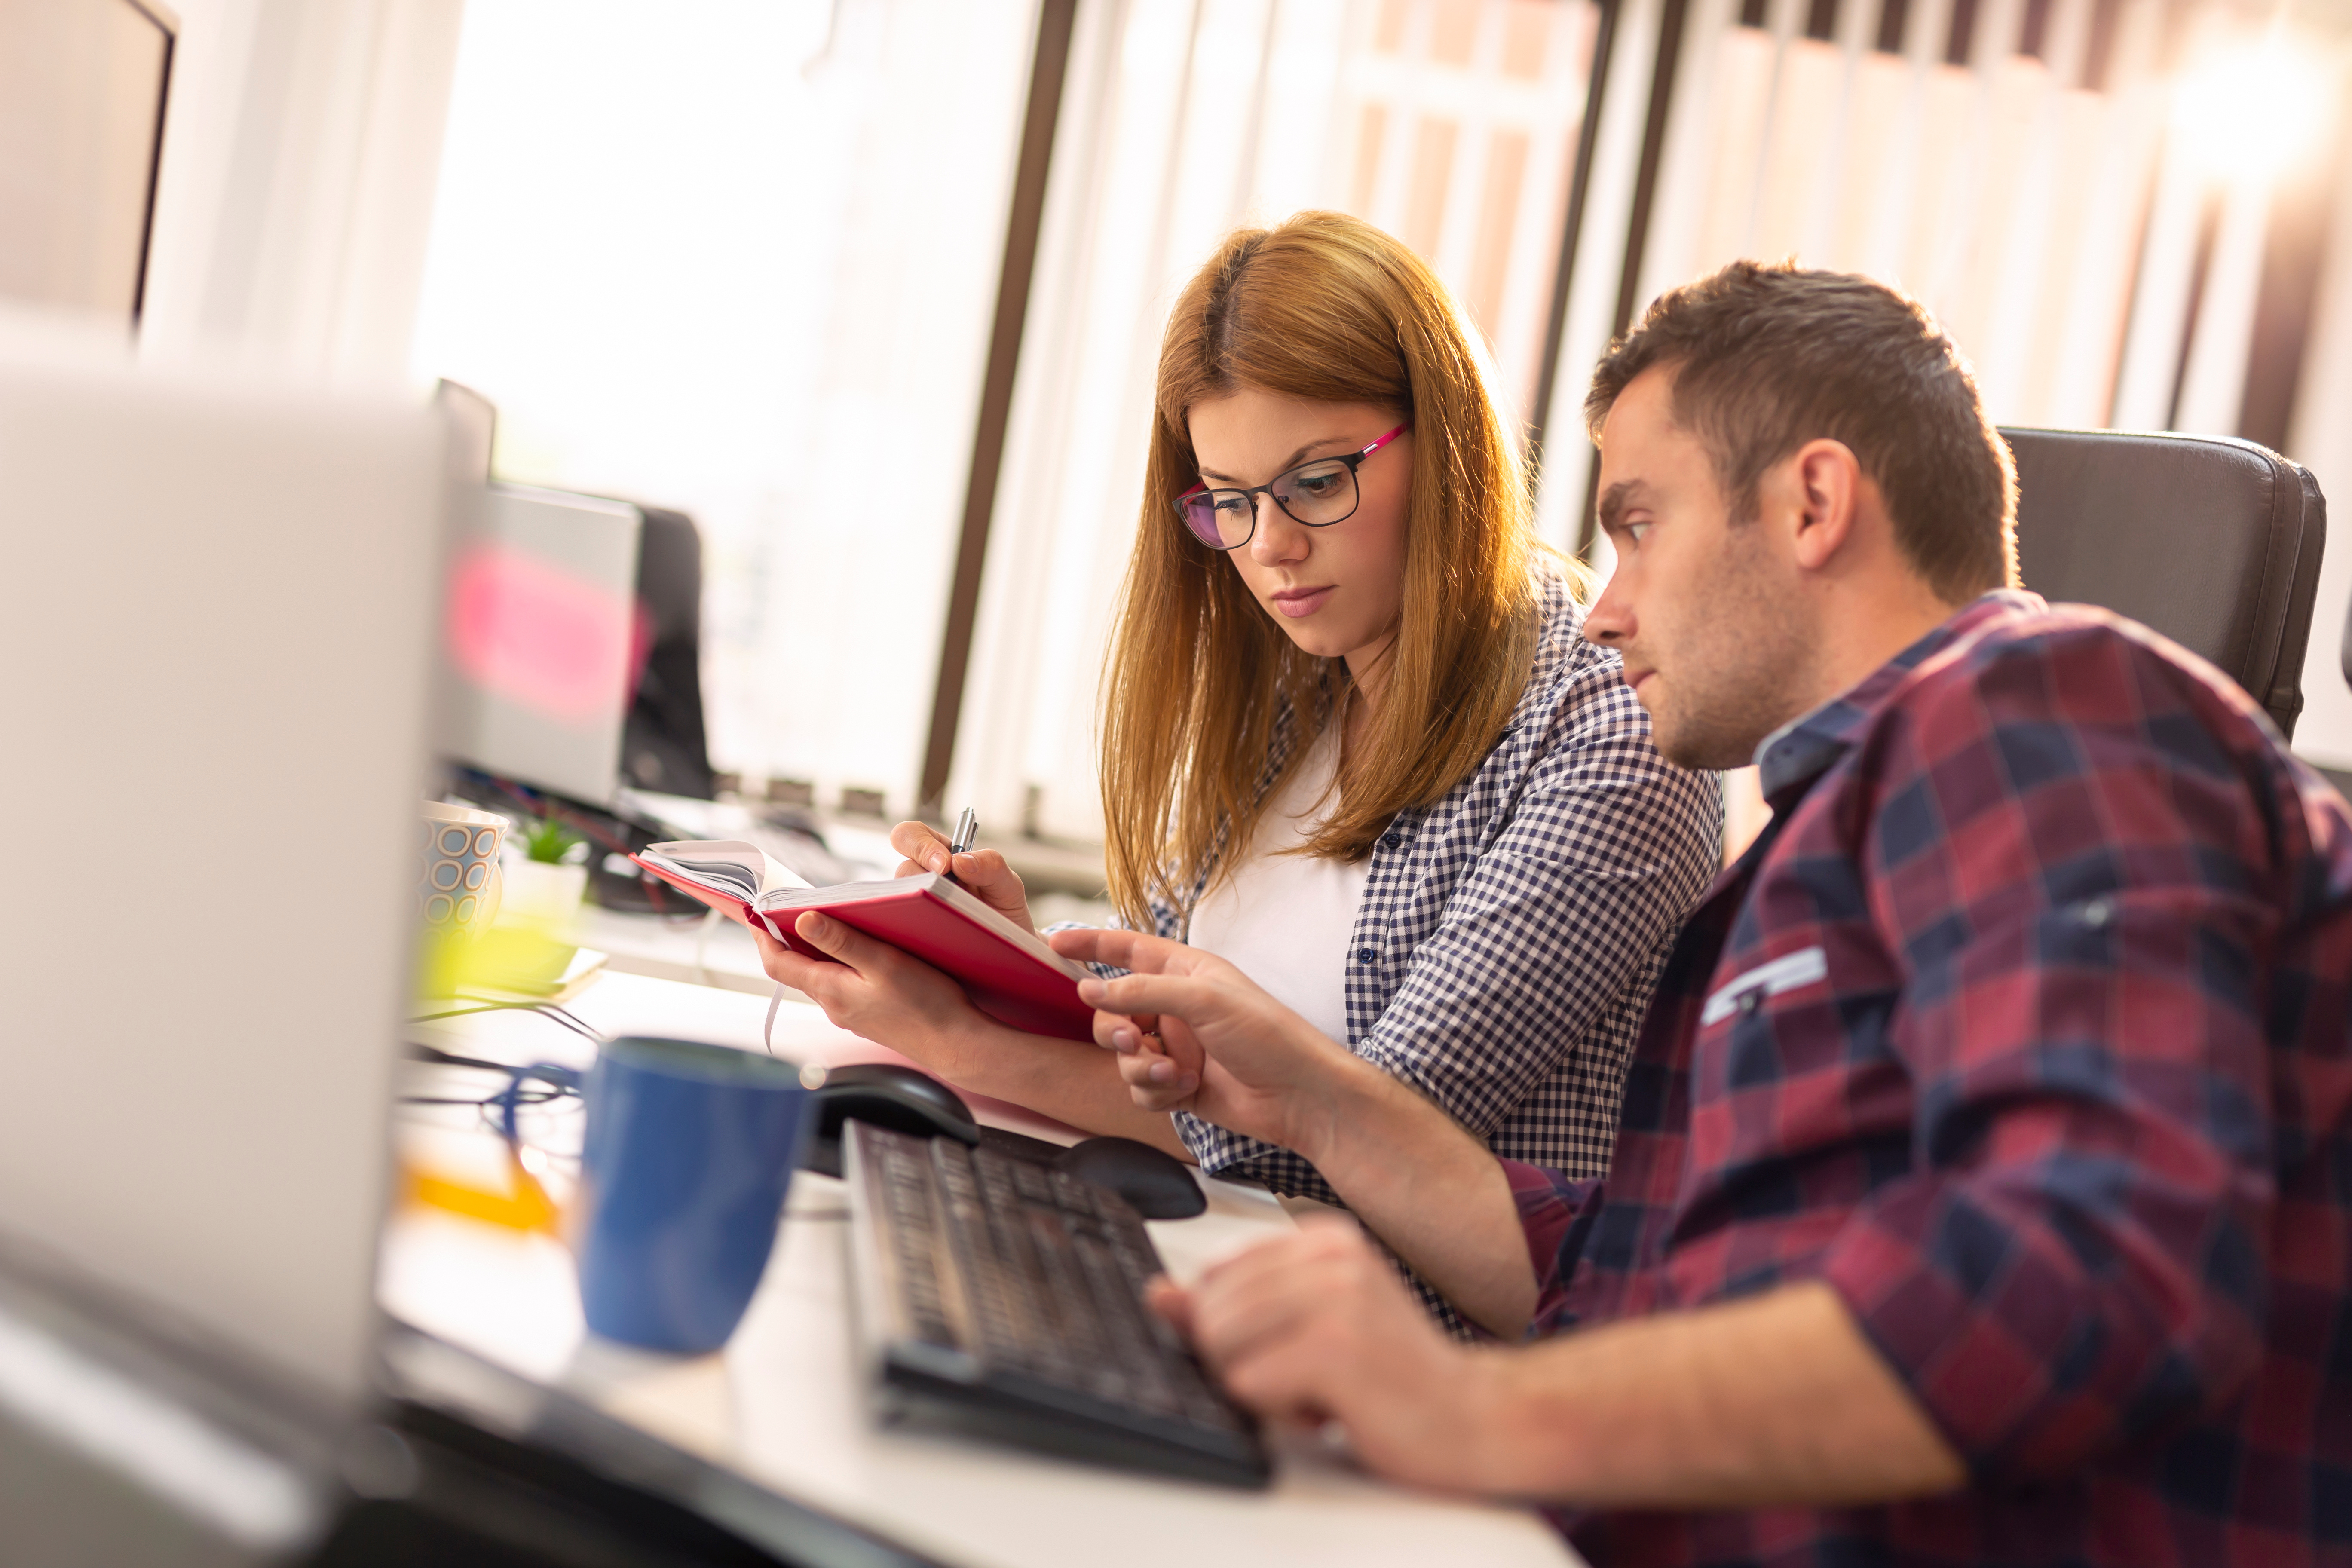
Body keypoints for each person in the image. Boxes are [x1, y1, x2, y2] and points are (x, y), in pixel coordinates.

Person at [1054, 261, 2352, 1565]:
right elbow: (1626, 1286)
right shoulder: (1807, 860)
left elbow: (2085, 1278)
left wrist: (1476, 1410)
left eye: (1637, 526)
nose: (1606, 609)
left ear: (1813, 503)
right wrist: (1312, 1102)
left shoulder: (2043, 709)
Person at [754, 212, 1721, 1237]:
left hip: (1387, 1356)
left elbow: (1372, 1139)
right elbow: (1170, 1057)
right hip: (1202, 1262)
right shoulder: (1300, 688)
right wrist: (1007, 966)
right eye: (1230, 500)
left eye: (1317, 481)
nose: (1272, 549)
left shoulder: (1611, 728)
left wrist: (966, 1045)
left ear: (1446, 442)